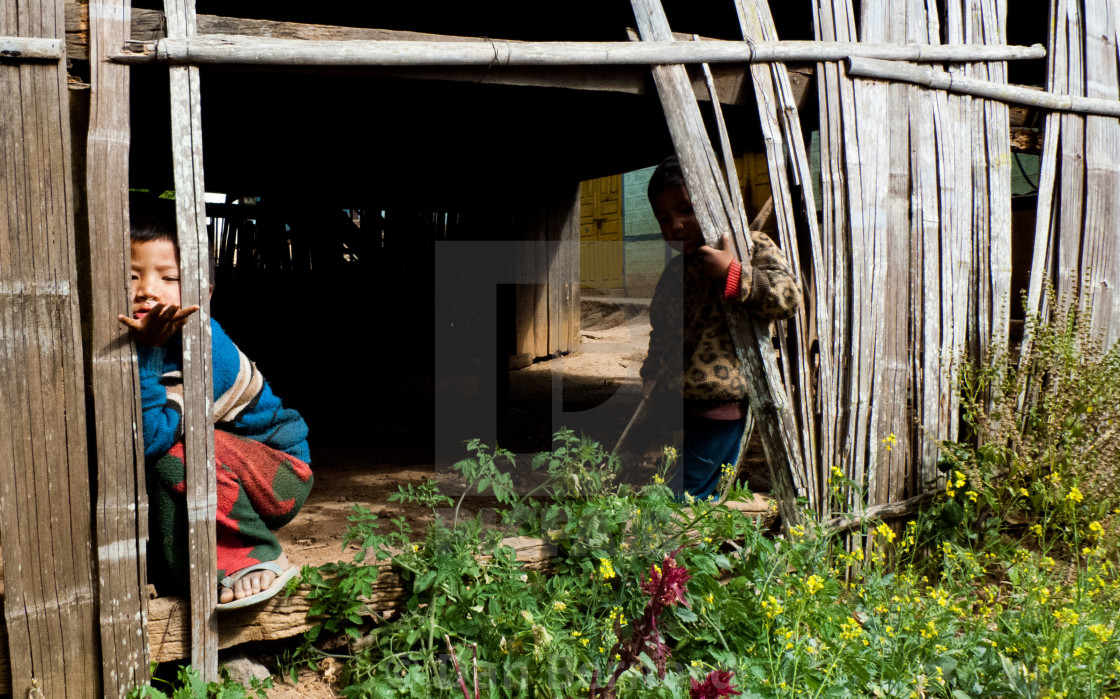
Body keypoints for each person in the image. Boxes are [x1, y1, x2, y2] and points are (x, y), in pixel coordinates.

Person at [119, 217, 312, 609]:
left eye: (168, 278)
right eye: (131, 277)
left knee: (168, 455)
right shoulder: (128, 345)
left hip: (281, 478)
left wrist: (151, 352)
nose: (146, 291)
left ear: (203, 294)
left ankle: (256, 554)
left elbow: (153, 438)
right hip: (225, 470)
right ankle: (182, 572)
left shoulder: (205, 348)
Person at [639, 155, 800, 500]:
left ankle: (669, 550)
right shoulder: (674, 273)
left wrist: (734, 272)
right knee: (700, 486)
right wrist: (651, 374)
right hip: (678, 401)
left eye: (686, 210)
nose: (676, 226)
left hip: (721, 402)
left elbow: (788, 299)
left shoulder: (752, 247)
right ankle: (696, 545)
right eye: (663, 218)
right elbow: (661, 331)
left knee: (687, 490)